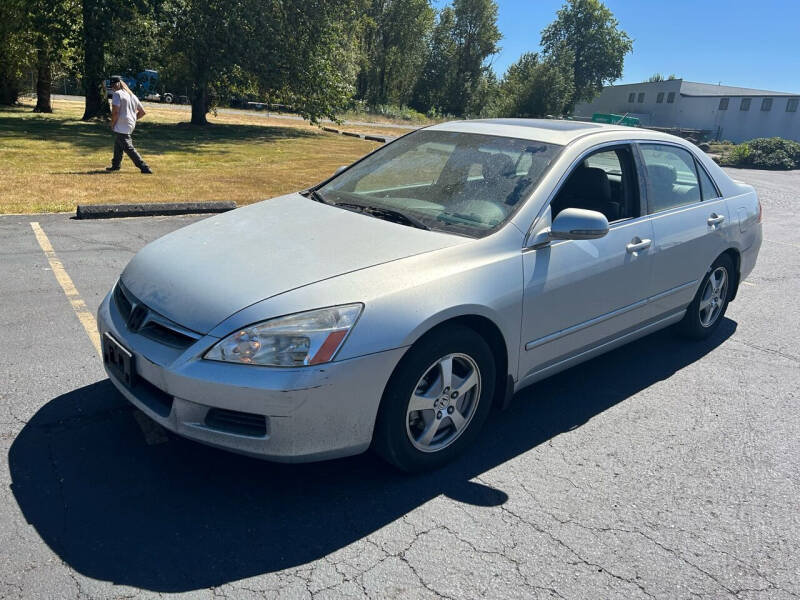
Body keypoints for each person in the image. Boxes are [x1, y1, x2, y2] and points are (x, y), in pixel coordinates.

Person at [106, 75, 152, 174]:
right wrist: (133, 119)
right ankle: (115, 165)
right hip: (130, 124)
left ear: (117, 84)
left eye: (113, 85)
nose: (113, 88)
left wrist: (112, 123)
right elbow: (142, 112)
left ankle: (144, 167)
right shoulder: (132, 95)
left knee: (128, 147)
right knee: (119, 143)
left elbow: (115, 112)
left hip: (122, 123)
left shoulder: (117, 94)